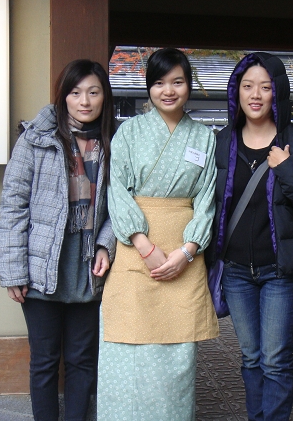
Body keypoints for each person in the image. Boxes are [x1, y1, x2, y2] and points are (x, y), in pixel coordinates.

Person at [98, 47, 219, 420]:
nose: (169, 90)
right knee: (125, 347)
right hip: (135, 253)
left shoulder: (204, 137)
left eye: (178, 82)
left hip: (185, 254)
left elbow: (208, 199)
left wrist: (187, 251)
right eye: (160, 82)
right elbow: (116, 189)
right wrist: (143, 244)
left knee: (177, 360)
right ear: (148, 87)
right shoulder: (128, 133)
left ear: (189, 86)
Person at [207, 52, 293, 421]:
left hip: (280, 271)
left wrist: (287, 168)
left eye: (264, 86)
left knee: (275, 359)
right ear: (237, 92)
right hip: (237, 271)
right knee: (251, 357)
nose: (255, 94)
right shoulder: (222, 141)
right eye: (247, 86)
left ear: (277, 92)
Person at [0, 59, 116, 421]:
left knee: (82, 361)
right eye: (76, 92)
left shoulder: (113, 143)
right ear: (63, 97)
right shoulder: (36, 140)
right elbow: (13, 206)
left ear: (103, 97)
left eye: (93, 92)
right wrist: (13, 271)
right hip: (41, 267)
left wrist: (104, 245)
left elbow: (118, 207)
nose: (85, 101)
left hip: (86, 269)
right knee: (45, 362)